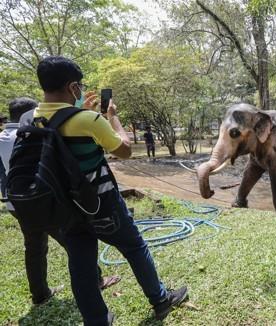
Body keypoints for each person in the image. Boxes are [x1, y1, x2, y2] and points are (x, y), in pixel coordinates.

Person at [33, 56, 188, 325]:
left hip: (65, 209)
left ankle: (97, 321)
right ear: (72, 87)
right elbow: (125, 151)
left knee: (81, 266)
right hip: (101, 204)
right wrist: (111, 118)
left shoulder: (34, 118)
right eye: (79, 86)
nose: (80, 91)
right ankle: (161, 300)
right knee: (135, 247)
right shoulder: (89, 119)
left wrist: (90, 117)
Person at [1, 98, 120, 306]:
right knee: (74, 241)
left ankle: (40, 294)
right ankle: (97, 280)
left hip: (16, 203)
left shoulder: (3, 137)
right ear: (30, 113)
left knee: (34, 247)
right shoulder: (33, 133)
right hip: (46, 200)